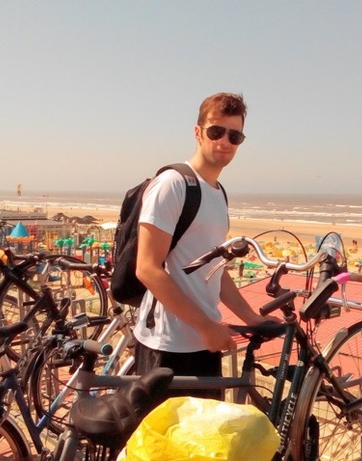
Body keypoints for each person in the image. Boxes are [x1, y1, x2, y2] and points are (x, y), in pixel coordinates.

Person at [133, 92, 276, 399]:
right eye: (216, 131)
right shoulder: (172, 185)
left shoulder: (218, 193)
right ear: (198, 132)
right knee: (166, 432)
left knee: (207, 431)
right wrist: (205, 326)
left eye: (234, 136)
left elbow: (215, 269)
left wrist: (250, 318)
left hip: (204, 342)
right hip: (168, 346)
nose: (225, 141)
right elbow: (147, 268)